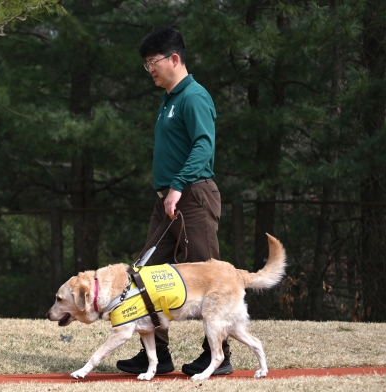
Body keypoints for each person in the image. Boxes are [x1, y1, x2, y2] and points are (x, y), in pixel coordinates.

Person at [115, 27, 233, 377]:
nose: (149, 69)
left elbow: (203, 145)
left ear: (174, 59)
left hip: (192, 196)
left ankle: (219, 355)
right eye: (146, 64)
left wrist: (178, 187)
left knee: (208, 276)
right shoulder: (169, 100)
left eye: (153, 61)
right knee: (146, 275)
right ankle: (156, 355)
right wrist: (170, 192)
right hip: (168, 200)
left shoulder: (193, 96)